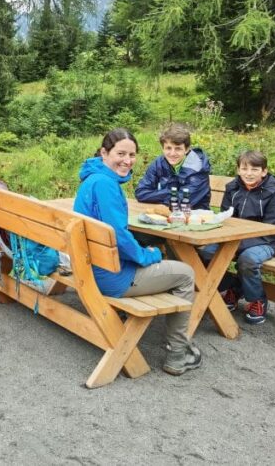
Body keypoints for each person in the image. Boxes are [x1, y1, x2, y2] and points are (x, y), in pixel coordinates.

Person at [73, 128, 202, 376]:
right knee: (186, 273)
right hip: (111, 277)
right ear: (104, 152)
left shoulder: (92, 179)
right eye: (121, 153)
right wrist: (148, 255)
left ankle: (166, 338)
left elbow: (113, 235)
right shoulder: (106, 185)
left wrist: (143, 251)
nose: (127, 160)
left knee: (156, 254)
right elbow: (119, 236)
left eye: (132, 155)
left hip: (90, 267)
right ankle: (177, 352)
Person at [200, 150, 275, 325]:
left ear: (264, 171)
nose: (249, 173)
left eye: (254, 169)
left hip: (265, 241)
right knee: (204, 254)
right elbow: (226, 217)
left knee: (247, 260)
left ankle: (257, 300)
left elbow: (273, 229)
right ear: (238, 170)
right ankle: (233, 286)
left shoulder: (274, 194)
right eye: (244, 168)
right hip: (233, 239)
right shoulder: (232, 188)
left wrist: (239, 243)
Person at [135, 123, 212, 210]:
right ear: (163, 149)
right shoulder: (158, 163)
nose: (172, 153)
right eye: (168, 148)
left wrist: (159, 195)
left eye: (178, 148)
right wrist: (170, 193)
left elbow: (182, 202)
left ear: (186, 149)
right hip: (167, 214)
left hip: (194, 217)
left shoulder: (198, 167)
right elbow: (141, 193)